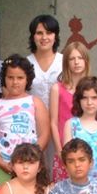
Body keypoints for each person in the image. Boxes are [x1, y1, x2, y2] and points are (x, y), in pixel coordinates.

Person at [0, 54, 49, 185]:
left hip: (30, 165)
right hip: (4, 165)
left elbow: (45, 134)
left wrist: (31, 159)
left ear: (27, 79)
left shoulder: (35, 102)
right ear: (4, 78)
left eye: (20, 78)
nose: (15, 82)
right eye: (10, 77)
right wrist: (0, 162)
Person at [27, 15, 63, 176]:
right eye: (39, 33)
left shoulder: (65, 62)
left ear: (55, 36)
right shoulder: (26, 63)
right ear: (33, 36)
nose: (44, 37)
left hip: (61, 125)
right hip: (33, 127)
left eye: (49, 33)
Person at [50, 42, 91, 182]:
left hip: (88, 148)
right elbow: (53, 123)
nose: (76, 62)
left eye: (80, 58)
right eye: (72, 59)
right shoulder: (57, 88)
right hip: (65, 147)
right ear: (66, 62)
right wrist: (59, 150)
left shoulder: (92, 88)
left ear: (86, 61)